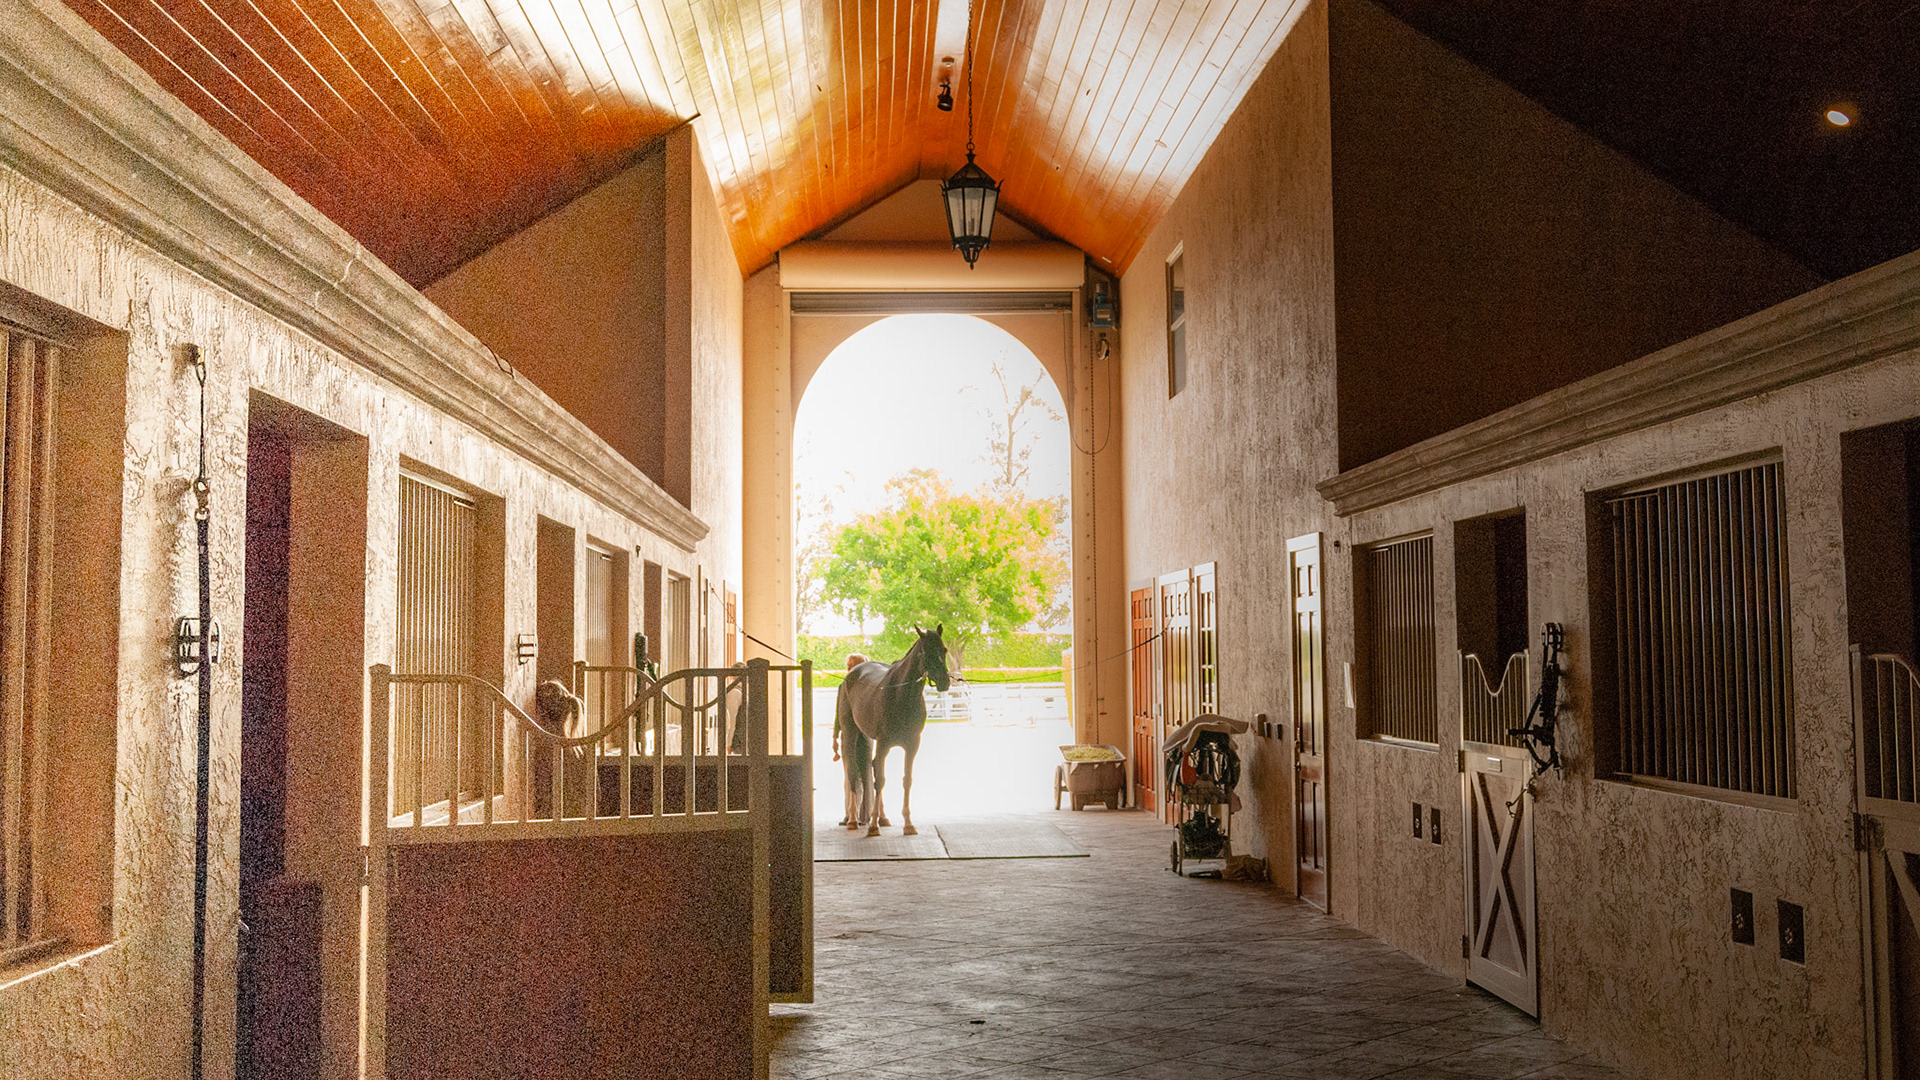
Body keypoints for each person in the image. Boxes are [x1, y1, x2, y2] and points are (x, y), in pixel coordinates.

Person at [835, 653, 870, 828]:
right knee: (849, 773)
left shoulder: (868, 688)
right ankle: (850, 812)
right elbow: (838, 714)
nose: (851, 669)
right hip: (847, 736)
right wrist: (834, 737)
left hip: (865, 736)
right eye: (849, 665)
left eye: (855, 666)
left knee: (866, 773)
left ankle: (865, 813)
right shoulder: (843, 686)